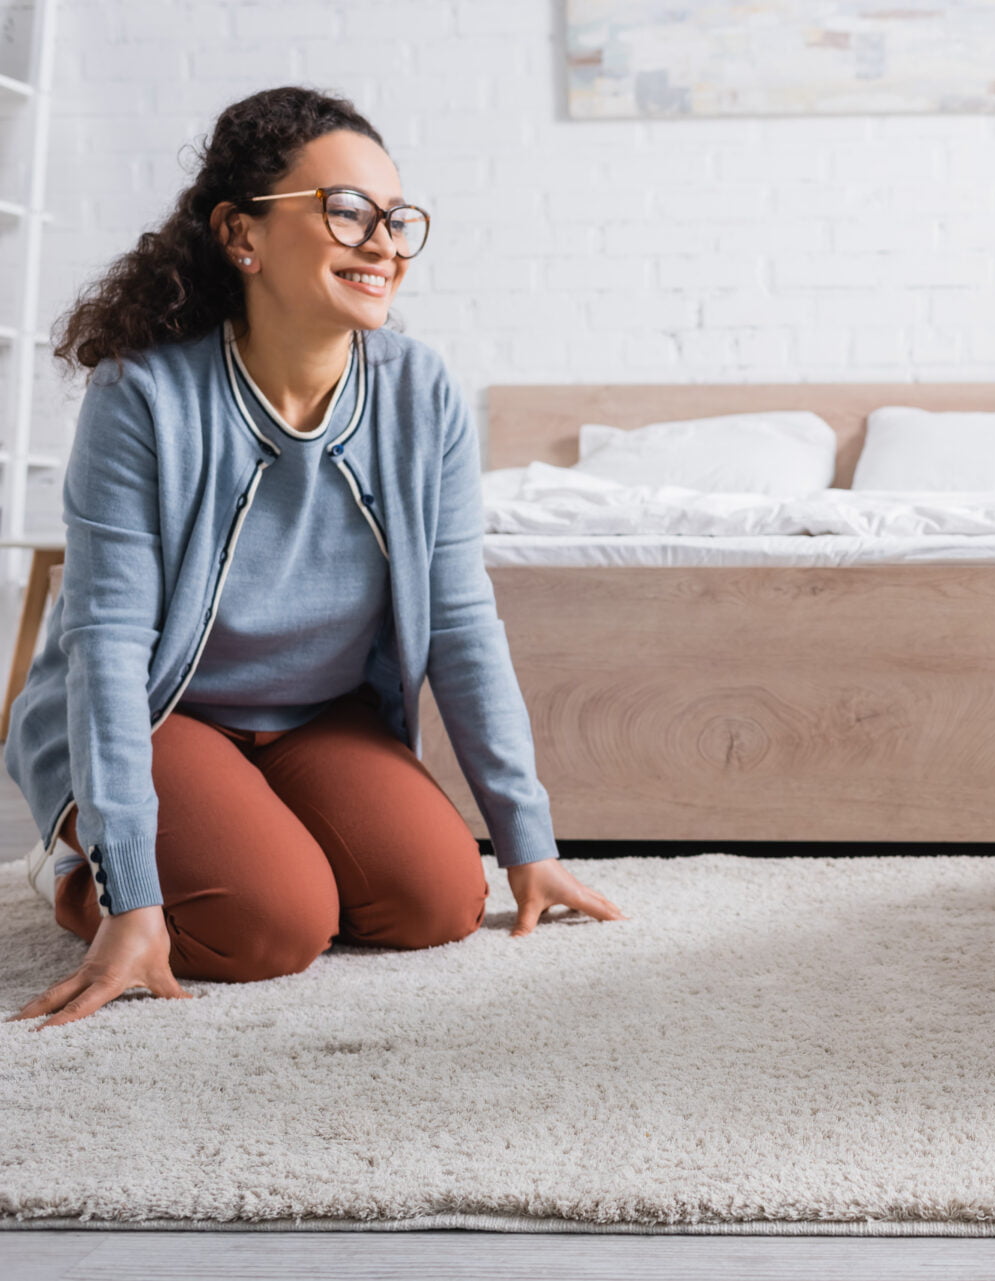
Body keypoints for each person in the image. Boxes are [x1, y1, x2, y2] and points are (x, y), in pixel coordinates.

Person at [7, 87, 623, 1029]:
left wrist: (527, 844)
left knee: (435, 904)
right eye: (345, 210)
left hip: (319, 714)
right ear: (240, 233)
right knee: (271, 929)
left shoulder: (422, 392)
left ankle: (246, 841)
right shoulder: (143, 396)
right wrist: (136, 896)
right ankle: (84, 870)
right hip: (162, 710)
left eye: (397, 219)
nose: (382, 242)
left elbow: (461, 621)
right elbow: (107, 648)